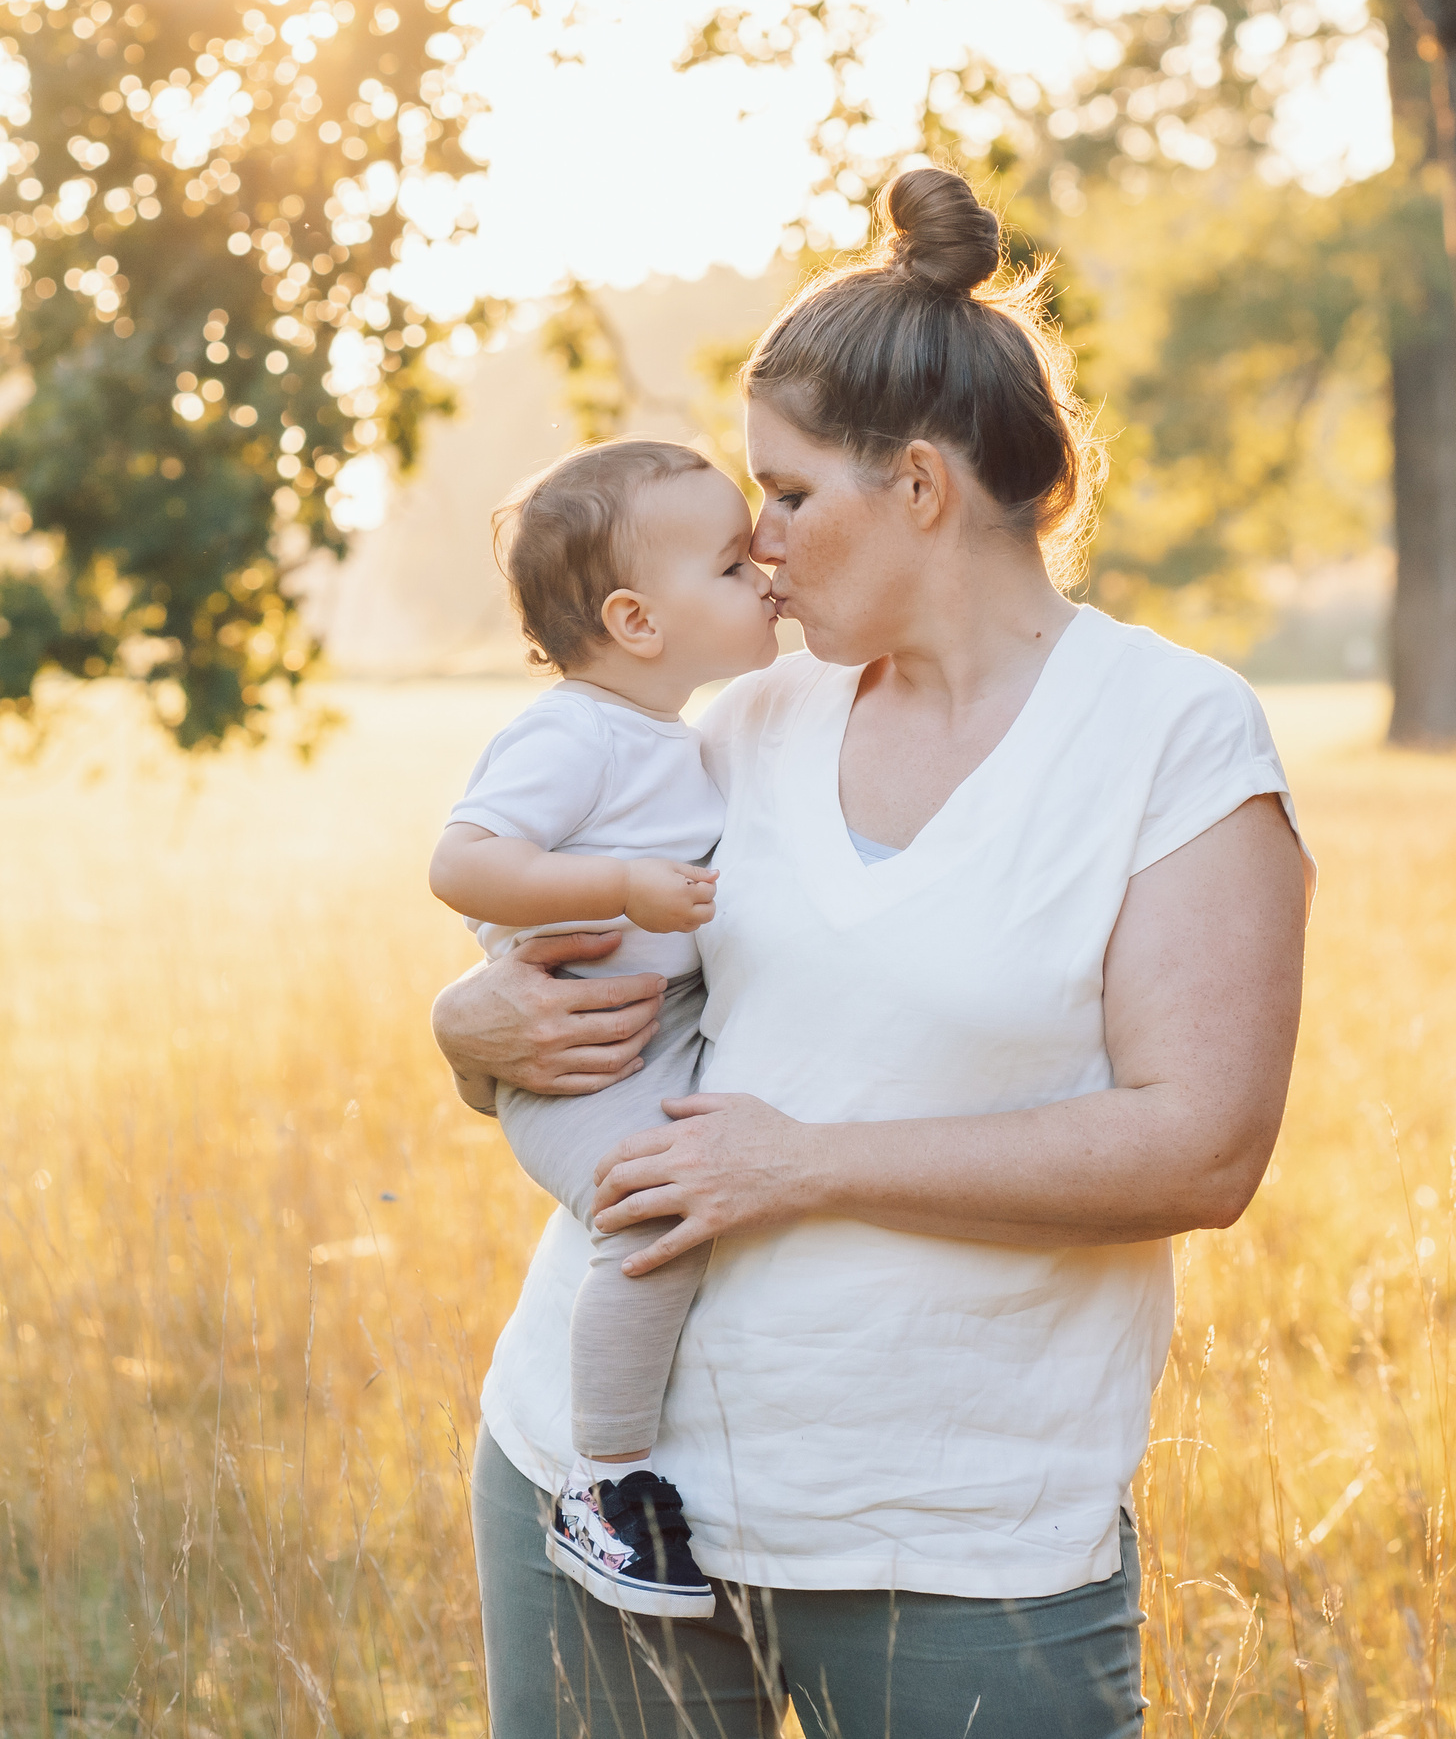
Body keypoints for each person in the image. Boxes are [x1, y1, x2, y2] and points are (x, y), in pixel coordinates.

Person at [430, 166, 1313, 1738]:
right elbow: (591, 980)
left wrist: (804, 1165)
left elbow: (1202, 1150)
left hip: (950, 1547)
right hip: (597, 1492)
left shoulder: (1171, 735)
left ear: (918, 488)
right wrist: (467, 1022)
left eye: (784, 493)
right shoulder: (748, 719)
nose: (755, 545)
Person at [427, 437, 778, 1618]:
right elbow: (462, 864)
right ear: (635, 619)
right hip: (576, 1070)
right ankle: (606, 1480)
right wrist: (620, 887)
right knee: (657, 1206)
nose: (766, 571)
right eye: (732, 565)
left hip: (649, 1038)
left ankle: (611, 1476)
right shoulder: (568, 733)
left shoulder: (673, 735)